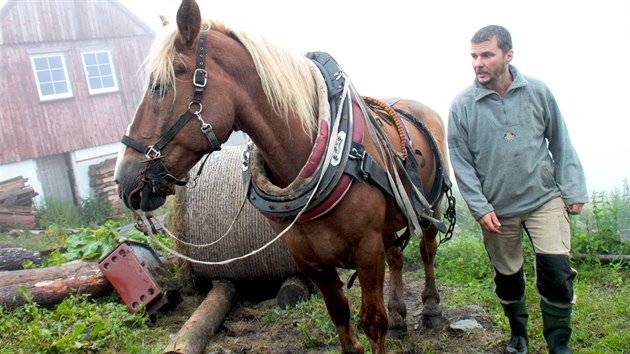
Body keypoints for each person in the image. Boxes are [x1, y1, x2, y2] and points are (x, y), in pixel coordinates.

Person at [447, 25, 588, 354]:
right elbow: (461, 162)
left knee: (556, 272)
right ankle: (518, 336)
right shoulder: (463, 105)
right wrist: (480, 207)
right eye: (473, 56)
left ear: (508, 55)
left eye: (487, 55)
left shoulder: (537, 91)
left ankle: (558, 344)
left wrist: (573, 188)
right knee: (508, 277)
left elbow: (559, 139)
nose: (478, 62)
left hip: (544, 198)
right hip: (497, 208)